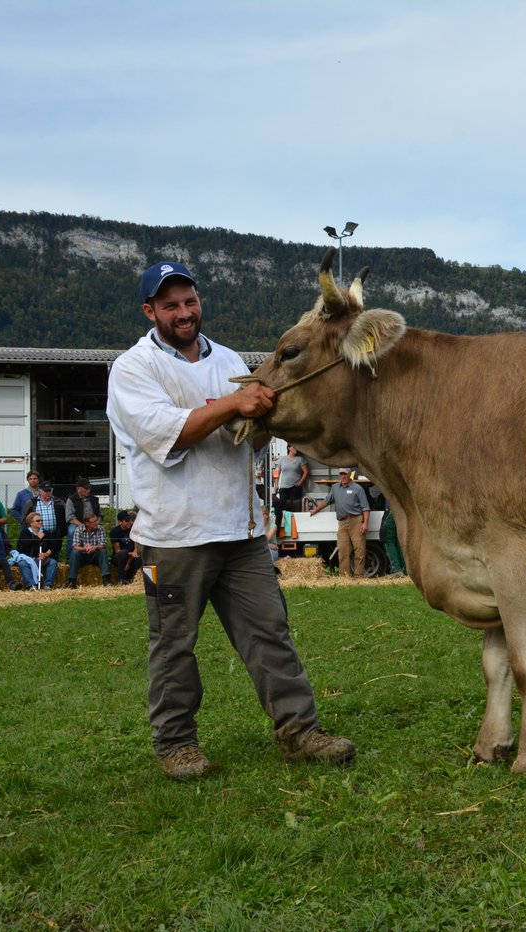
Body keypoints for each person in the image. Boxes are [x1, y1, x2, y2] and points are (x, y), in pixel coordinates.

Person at [106, 259, 353, 780]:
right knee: (174, 644)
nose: (183, 312)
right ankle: (176, 744)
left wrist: (269, 414)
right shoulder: (134, 368)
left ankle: (300, 731)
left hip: (240, 530)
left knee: (270, 632)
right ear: (150, 311)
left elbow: (251, 436)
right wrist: (237, 402)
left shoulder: (229, 359)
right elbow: (166, 433)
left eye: (189, 301)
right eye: (170, 305)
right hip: (172, 537)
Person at [308, 468, 370, 577]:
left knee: (359, 550)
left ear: (349, 475)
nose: (343, 476)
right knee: (343, 551)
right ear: (339, 475)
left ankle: (359, 576)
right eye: (341, 474)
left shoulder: (358, 488)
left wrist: (365, 523)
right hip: (342, 522)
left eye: (345, 474)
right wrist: (315, 510)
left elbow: (366, 508)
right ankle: (344, 577)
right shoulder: (335, 487)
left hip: (356, 520)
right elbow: (327, 501)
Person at [16, 510, 59, 589]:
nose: (40, 522)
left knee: (53, 562)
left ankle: (48, 584)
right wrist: (37, 538)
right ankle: (31, 585)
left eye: (41, 520)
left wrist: (45, 554)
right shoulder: (25, 533)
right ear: (31, 523)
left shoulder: (45, 532)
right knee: (22, 563)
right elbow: (22, 546)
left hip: (42, 558)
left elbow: (54, 545)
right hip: (29, 559)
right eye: (38, 520)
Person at [66, 513, 111, 588]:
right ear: (87, 523)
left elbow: (103, 544)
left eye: (97, 520)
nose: (97, 523)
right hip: (83, 556)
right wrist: (84, 548)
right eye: (94, 521)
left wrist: (94, 547)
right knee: (74, 553)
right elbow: (74, 546)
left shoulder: (101, 529)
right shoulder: (79, 529)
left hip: (95, 555)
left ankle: (106, 579)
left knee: (103, 551)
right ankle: (72, 581)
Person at [274, 443, 310, 524]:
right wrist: (276, 485)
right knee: (282, 506)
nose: (297, 449)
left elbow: (306, 471)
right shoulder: (282, 459)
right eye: (295, 447)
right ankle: (280, 525)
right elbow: (277, 473)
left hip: (295, 487)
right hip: (284, 487)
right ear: (289, 448)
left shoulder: (300, 459)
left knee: (294, 506)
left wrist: (300, 482)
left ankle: (295, 525)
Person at [33, 485, 67, 560]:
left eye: (49, 491)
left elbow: (65, 517)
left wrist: (62, 532)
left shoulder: (59, 501)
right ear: (40, 491)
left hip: (55, 534)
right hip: (39, 535)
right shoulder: (32, 502)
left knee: (54, 557)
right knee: (38, 556)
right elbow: (26, 518)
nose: (48, 493)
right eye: (46, 491)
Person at [110, 510, 143, 585]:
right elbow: (118, 550)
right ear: (120, 522)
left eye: (130, 520)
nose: (129, 522)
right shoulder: (114, 531)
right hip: (118, 557)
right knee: (123, 552)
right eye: (126, 521)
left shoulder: (133, 530)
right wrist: (131, 555)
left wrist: (130, 560)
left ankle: (129, 578)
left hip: (131, 556)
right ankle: (121, 578)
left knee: (140, 557)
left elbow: (136, 547)